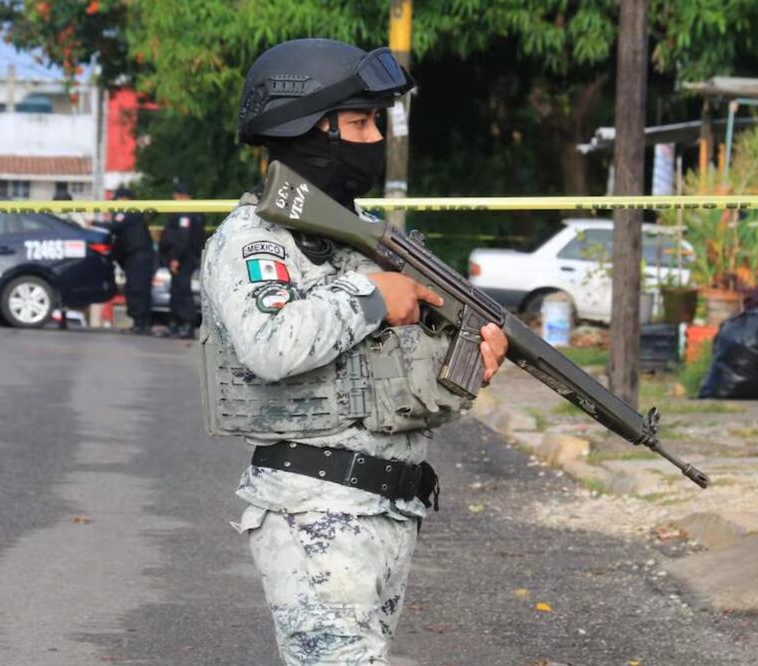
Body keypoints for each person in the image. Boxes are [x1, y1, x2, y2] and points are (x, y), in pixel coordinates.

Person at [199, 38, 510, 665]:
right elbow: (271, 345)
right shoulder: (255, 240)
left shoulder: (362, 235)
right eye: (361, 122)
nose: (375, 138)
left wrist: (468, 357)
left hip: (389, 507)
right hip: (315, 509)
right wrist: (371, 294)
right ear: (310, 129)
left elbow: (388, 377)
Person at [106, 187, 156, 334]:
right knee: (134, 289)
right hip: (133, 258)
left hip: (139, 257)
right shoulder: (128, 213)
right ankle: (138, 323)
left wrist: (94, 224)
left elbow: (116, 226)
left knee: (138, 290)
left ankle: (142, 324)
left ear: (124, 199)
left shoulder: (131, 211)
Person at [158, 180, 204, 339]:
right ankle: (176, 324)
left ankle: (186, 325)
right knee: (176, 290)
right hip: (181, 257)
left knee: (182, 291)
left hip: (184, 258)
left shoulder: (186, 212)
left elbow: (183, 238)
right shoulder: (187, 211)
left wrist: (175, 258)